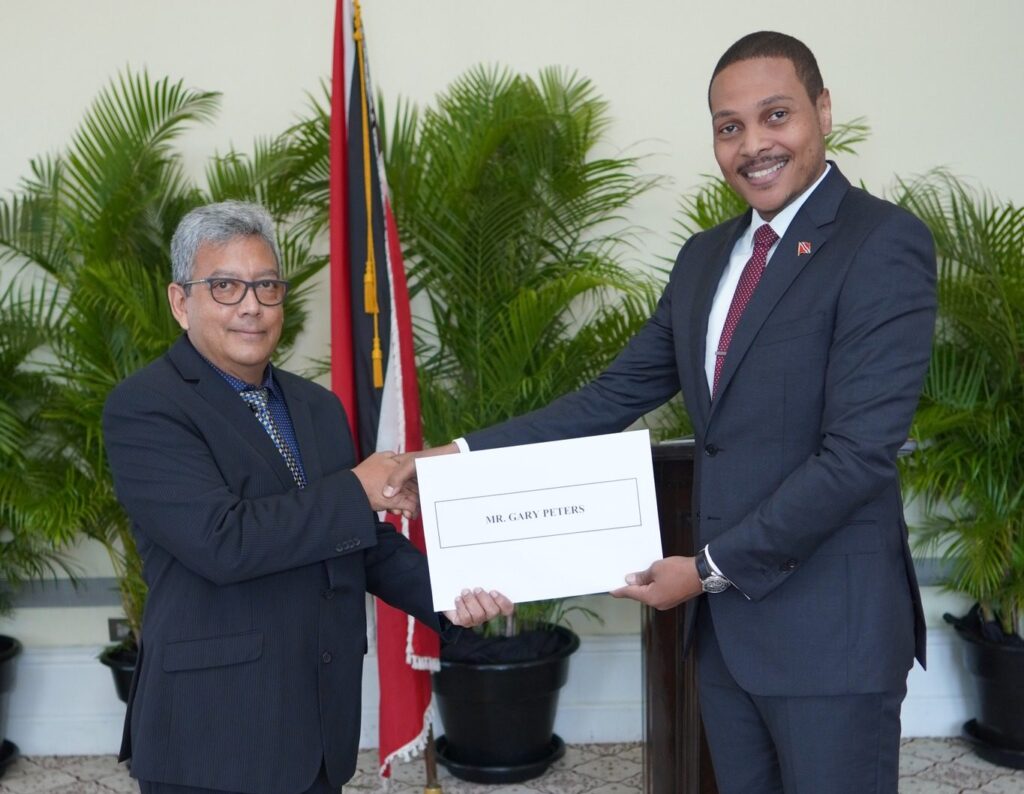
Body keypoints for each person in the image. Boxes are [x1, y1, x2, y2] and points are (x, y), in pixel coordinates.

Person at [388, 31, 936, 793]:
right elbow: (610, 397)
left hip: (828, 637)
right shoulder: (705, 259)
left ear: (823, 111)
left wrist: (706, 572)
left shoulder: (883, 244)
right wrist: (459, 459)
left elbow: (857, 458)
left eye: (775, 116)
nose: (753, 145)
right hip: (723, 642)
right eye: (729, 126)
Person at [102, 200, 512, 794]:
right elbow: (223, 541)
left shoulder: (317, 408)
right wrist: (356, 489)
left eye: (266, 286)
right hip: (210, 733)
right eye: (225, 287)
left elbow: (357, 539)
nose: (251, 305)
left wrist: (451, 596)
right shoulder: (146, 407)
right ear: (179, 301)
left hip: (318, 719)